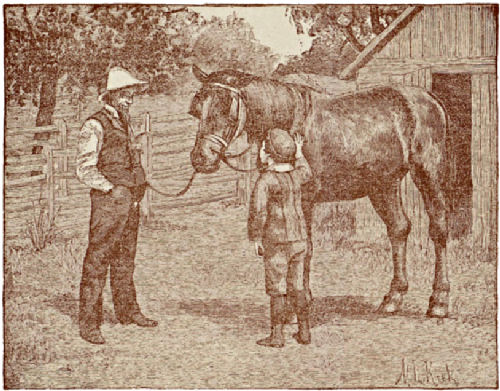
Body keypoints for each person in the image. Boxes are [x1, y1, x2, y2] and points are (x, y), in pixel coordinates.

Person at [76, 66, 157, 345]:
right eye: (124, 95)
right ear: (110, 96)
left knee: (125, 258)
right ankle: (89, 323)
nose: (129, 100)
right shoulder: (94, 124)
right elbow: (84, 168)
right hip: (109, 202)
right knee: (98, 259)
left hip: (129, 201)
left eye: (131, 94)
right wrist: (112, 189)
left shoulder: (125, 121)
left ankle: (127, 311)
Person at [248, 129, 313, 348]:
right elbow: (306, 170)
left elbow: (258, 212)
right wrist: (299, 152)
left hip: (276, 242)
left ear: (268, 155)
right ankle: (304, 331)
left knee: (277, 288)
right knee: (298, 286)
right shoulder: (297, 176)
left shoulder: (265, 180)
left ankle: (276, 336)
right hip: (300, 239)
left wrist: (256, 237)